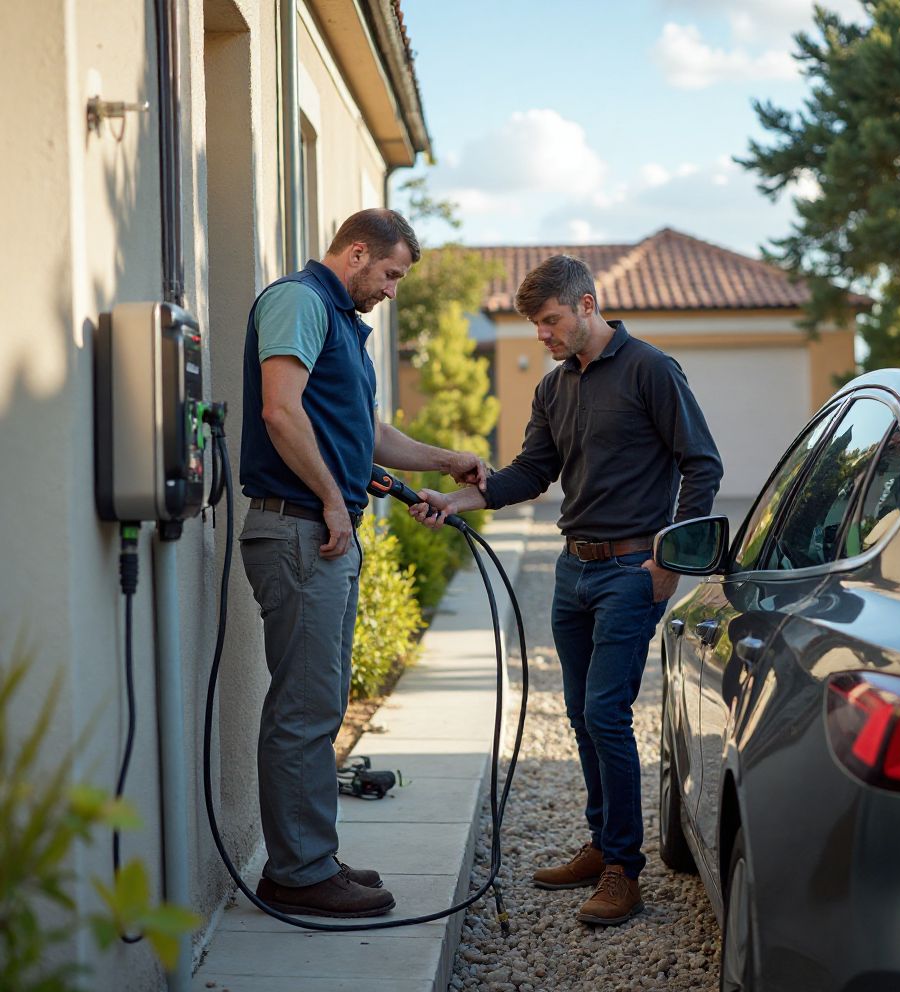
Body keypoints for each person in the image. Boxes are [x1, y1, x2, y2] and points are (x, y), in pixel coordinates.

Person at [411, 254, 722, 927]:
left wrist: (672, 562)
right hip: (573, 570)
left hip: (632, 572)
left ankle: (623, 869)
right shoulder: (553, 389)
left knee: (606, 713)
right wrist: (454, 499)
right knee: (581, 713)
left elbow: (703, 465)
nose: (542, 336)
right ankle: (601, 841)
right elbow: (530, 472)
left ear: (587, 305)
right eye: (536, 326)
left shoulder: (651, 370)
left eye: (549, 321)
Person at [238, 208, 488, 918]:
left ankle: (310, 857)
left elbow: (363, 431)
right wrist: (332, 497)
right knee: (304, 707)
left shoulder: (344, 323)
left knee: (321, 702)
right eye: (390, 273)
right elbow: (280, 412)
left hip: (321, 532)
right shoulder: (298, 300)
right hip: (298, 530)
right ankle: (298, 873)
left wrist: (445, 461)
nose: (392, 289)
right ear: (355, 253)